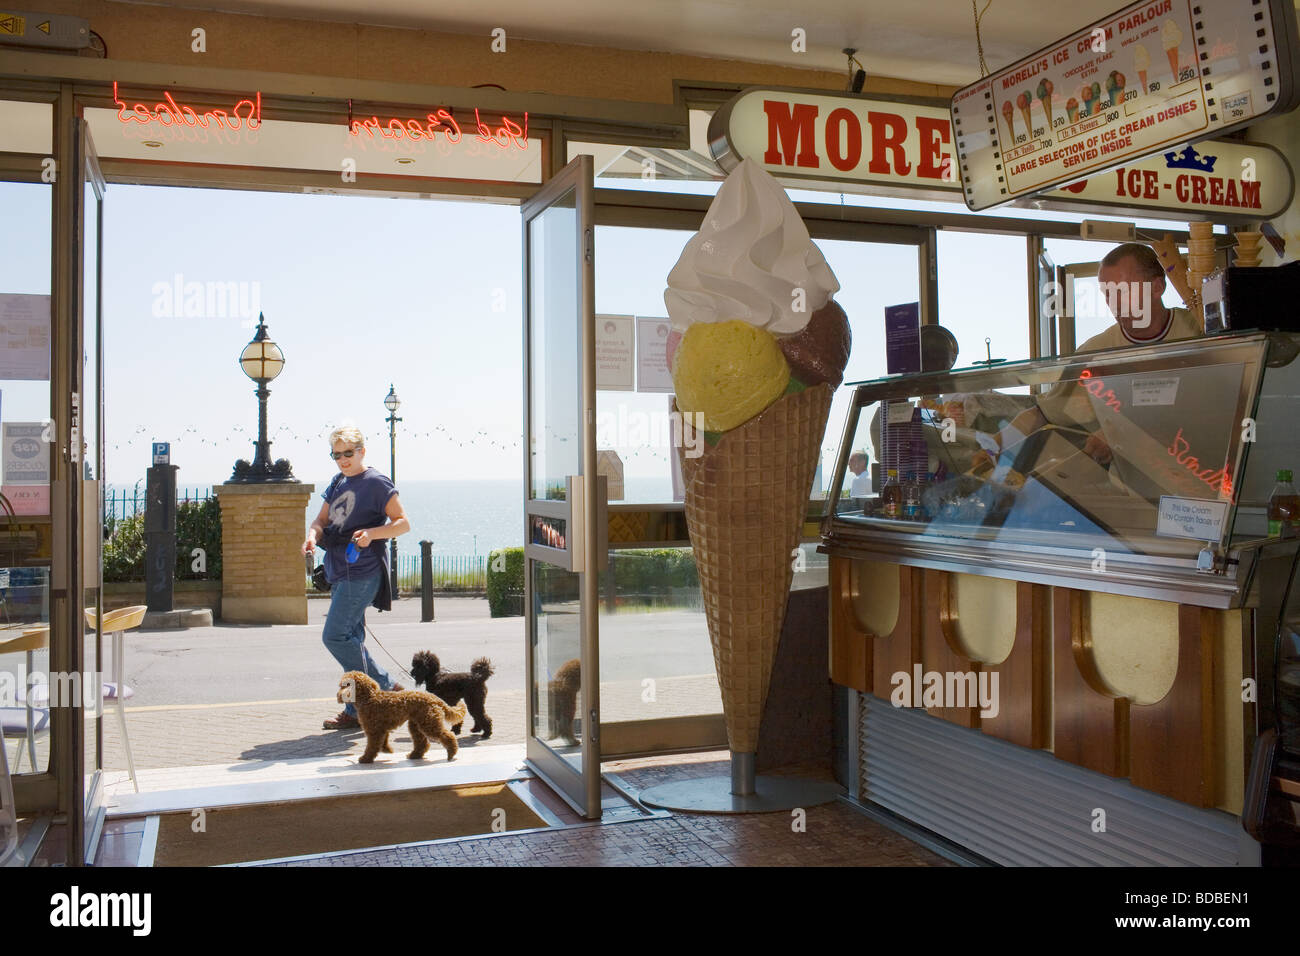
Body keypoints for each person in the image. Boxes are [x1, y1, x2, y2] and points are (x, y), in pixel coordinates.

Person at [975, 242, 1204, 470]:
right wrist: (993, 448)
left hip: (1203, 478)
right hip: (1132, 492)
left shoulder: (1201, 332)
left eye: (1123, 291)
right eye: (1107, 294)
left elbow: (1217, 409)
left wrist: (1121, 434)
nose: (1114, 303)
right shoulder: (1095, 353)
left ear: (1157, 287)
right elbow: (1043, 414)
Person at [303, 424, 410, 730]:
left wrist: (372, 534)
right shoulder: (338, 481)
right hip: (340, 570)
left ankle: (386, 685)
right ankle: (355, 712)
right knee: (353, 640)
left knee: (334, 636)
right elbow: (321, 520)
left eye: (348, 453)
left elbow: (403, 523)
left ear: (362, 451)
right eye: (336, 455)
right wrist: (312, 536)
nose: (342, 459)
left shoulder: (376, 482)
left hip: (363, 572)